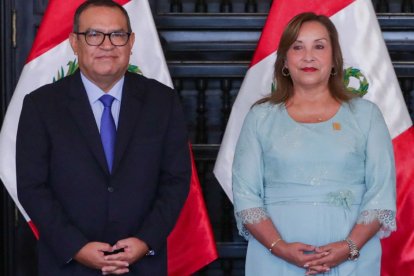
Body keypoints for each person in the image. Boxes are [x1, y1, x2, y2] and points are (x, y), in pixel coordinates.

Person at [16, 0, 190, 275]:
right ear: (75, 42)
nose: (107, 45)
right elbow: (32, 187)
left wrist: (145, 240)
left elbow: (176, 180)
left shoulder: (162, 101)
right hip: (68, 264)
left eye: (117, 35)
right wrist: (76, 247)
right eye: (94, 35)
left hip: (142, 263)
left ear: (131, 42)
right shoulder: (41, 105)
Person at [232, 12, 396, 275]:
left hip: (353, 259)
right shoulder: (260, 117)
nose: (308, 56)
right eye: (298, 47)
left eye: (319, 46)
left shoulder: (366, 115)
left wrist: (349, 246)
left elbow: (381, 193)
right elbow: (245, 196)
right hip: (275, 258)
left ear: (334, 59)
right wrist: (280, 247)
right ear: (285, 60)